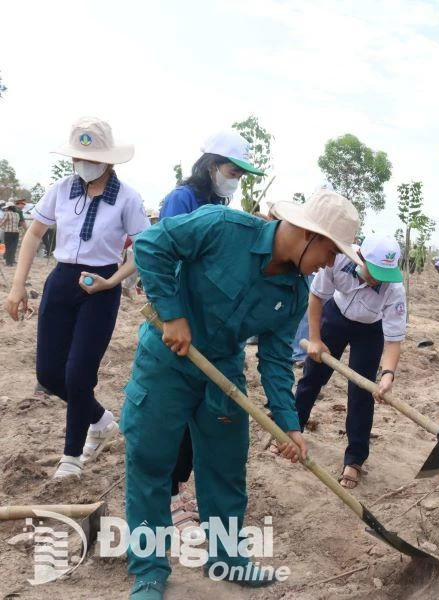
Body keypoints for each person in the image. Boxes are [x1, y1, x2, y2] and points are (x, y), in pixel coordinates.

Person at [122, 191, 360, 599]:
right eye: (330, 250)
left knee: (225, 467)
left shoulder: (295, 294)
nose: (330, 263)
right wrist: (173, 313)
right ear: (306, 233)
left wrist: (289, 425)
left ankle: (227, 557)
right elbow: (150, 245)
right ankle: (148, 569)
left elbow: (274, 361)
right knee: (150, 461)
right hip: (167, 359)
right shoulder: (221, 226)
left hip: (223, 372)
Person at [4, 117, 149, 478]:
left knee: (79, 374)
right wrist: (18, 285)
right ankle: (99, 419)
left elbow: (143, 250)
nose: (82, 164)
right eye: (78, 158)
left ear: (109, 160)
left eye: (91, 157)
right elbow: (35, 234)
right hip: (61, 281)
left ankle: (71, 457)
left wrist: (112, 280)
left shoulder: (128, 199)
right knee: (50, 374)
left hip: (100, 288)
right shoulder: (60, 190)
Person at [157, 129, 267, 540]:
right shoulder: (182, 200)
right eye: (232, 170)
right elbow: (163, 255)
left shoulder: (221, 204)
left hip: (211, 324)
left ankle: (189, 487)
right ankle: (169, 493)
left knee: (207, 414)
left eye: (240, 172)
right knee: (176, 412)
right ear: (210, 165)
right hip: (180, 322)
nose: (235, 178)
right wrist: (173, 315)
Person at [296, 235, 407, 489]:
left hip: (371, 329)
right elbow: (316, 297)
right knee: (312, 376)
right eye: (374, 271)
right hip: (336, 315)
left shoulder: (394, 289)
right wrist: (314, 339)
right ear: (361, 258)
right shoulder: (337, 259)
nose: (377, 279)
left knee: (361, 393)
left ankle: (354, 459)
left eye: (383, 274)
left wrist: (388, 374)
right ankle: (291, 430)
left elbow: (393, 339)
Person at [1, 201, 23, 266]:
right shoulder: (17, 214)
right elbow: (19, 223)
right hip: (16, 233)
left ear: (8, 208)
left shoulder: (7, 213)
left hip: (8, 232)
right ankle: (11, 261)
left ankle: (8, 262)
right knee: (13, 248)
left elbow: (2, 222)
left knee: (8, 247)